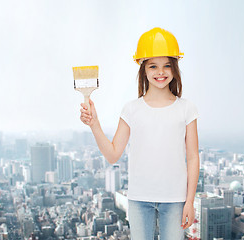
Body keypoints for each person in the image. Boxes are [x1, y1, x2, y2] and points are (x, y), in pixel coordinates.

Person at [80, 27, 200, 240]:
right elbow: (113, 154)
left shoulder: (186, 109)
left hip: (175, 199)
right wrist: (94, 124)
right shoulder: (131, 109)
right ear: (143, 69)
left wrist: (189, 201)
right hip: (138, 199)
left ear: (175, 69)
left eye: (166, 66)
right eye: (153, 66)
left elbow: (192, 157)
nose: (160, 72)